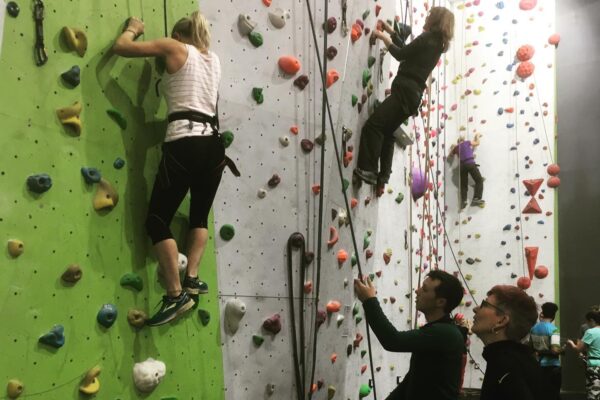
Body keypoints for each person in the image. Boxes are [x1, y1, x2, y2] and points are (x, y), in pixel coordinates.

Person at [113, 12, 227, 326]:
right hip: (215, 146)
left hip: (185, 143)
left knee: (156, 220)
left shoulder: (175, 47)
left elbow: (121, 48)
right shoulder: (213, 60)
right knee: (199, 215)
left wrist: (133, 29)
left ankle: (176, 295)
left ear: (178, 36)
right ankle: (191, 277)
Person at [354, 7, 454, 195]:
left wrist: (383, 38)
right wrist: (391, 32)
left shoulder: (428, 39)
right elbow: (409, 52)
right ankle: (382, 177)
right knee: (388, 133)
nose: (427, 17)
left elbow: (401, 55)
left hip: (405, 93)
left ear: (436, 20)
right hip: (412, 96)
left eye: (430, 16)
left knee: (374, 126)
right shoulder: (437, 44)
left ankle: (368, 171)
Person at [354, 270, 465, 399]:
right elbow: (413, 379)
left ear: (440, 302)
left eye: (424, 289)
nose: (417, 291)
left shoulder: (445, 333)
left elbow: (393, 340)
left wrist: (369, 300)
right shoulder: (442, 331)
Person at [471, 285, 543, 400]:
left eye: (484, 305)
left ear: (502, 321)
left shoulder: (506, 366)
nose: (475, 308)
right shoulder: (515, 359)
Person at [530, 302, 562, 400]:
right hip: (552, 367)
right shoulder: (554, 330)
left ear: (543, 313)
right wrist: (562, 350)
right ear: (554, 315)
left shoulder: (533, 328)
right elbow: (555, 350)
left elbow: (531, 348)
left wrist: (538, 352)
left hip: (538, 366)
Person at [568, 310, 600, 400]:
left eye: (587, 321)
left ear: (592, 320)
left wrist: (571, 343)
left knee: (594, 393)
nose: (587, 324)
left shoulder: (591, 332)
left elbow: (579, 348)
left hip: (594, 367)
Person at [448, 134, 485, 209]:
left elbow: (450, 156)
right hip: (470, 164)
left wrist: (454, 148)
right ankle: (476, 199)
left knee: (463, 185)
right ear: (463, 140)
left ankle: (463, 201)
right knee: (479, 180)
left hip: (462, 167)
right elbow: (477, 143)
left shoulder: (456, 148)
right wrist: (477, 136)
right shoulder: (466, 143)